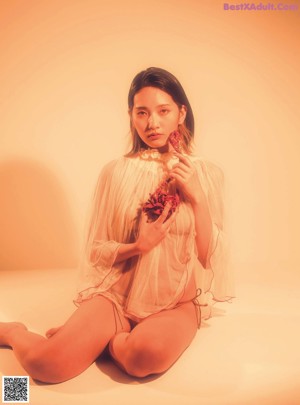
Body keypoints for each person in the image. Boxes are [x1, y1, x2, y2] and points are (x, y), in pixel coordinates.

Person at [0, 67, 234, 384]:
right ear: (131, 116)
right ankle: (14, 332)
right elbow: (97, 251)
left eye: (163, 111)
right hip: (117, 298)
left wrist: (199, 198)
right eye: (142, 112)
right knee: (45, 366)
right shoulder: (116, 172)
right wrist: (139, 246)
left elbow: (209, 258)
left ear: (181, 113)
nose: (152, 123)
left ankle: (109, 343)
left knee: (143, 359)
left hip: (175, 303)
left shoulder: (207, 174)